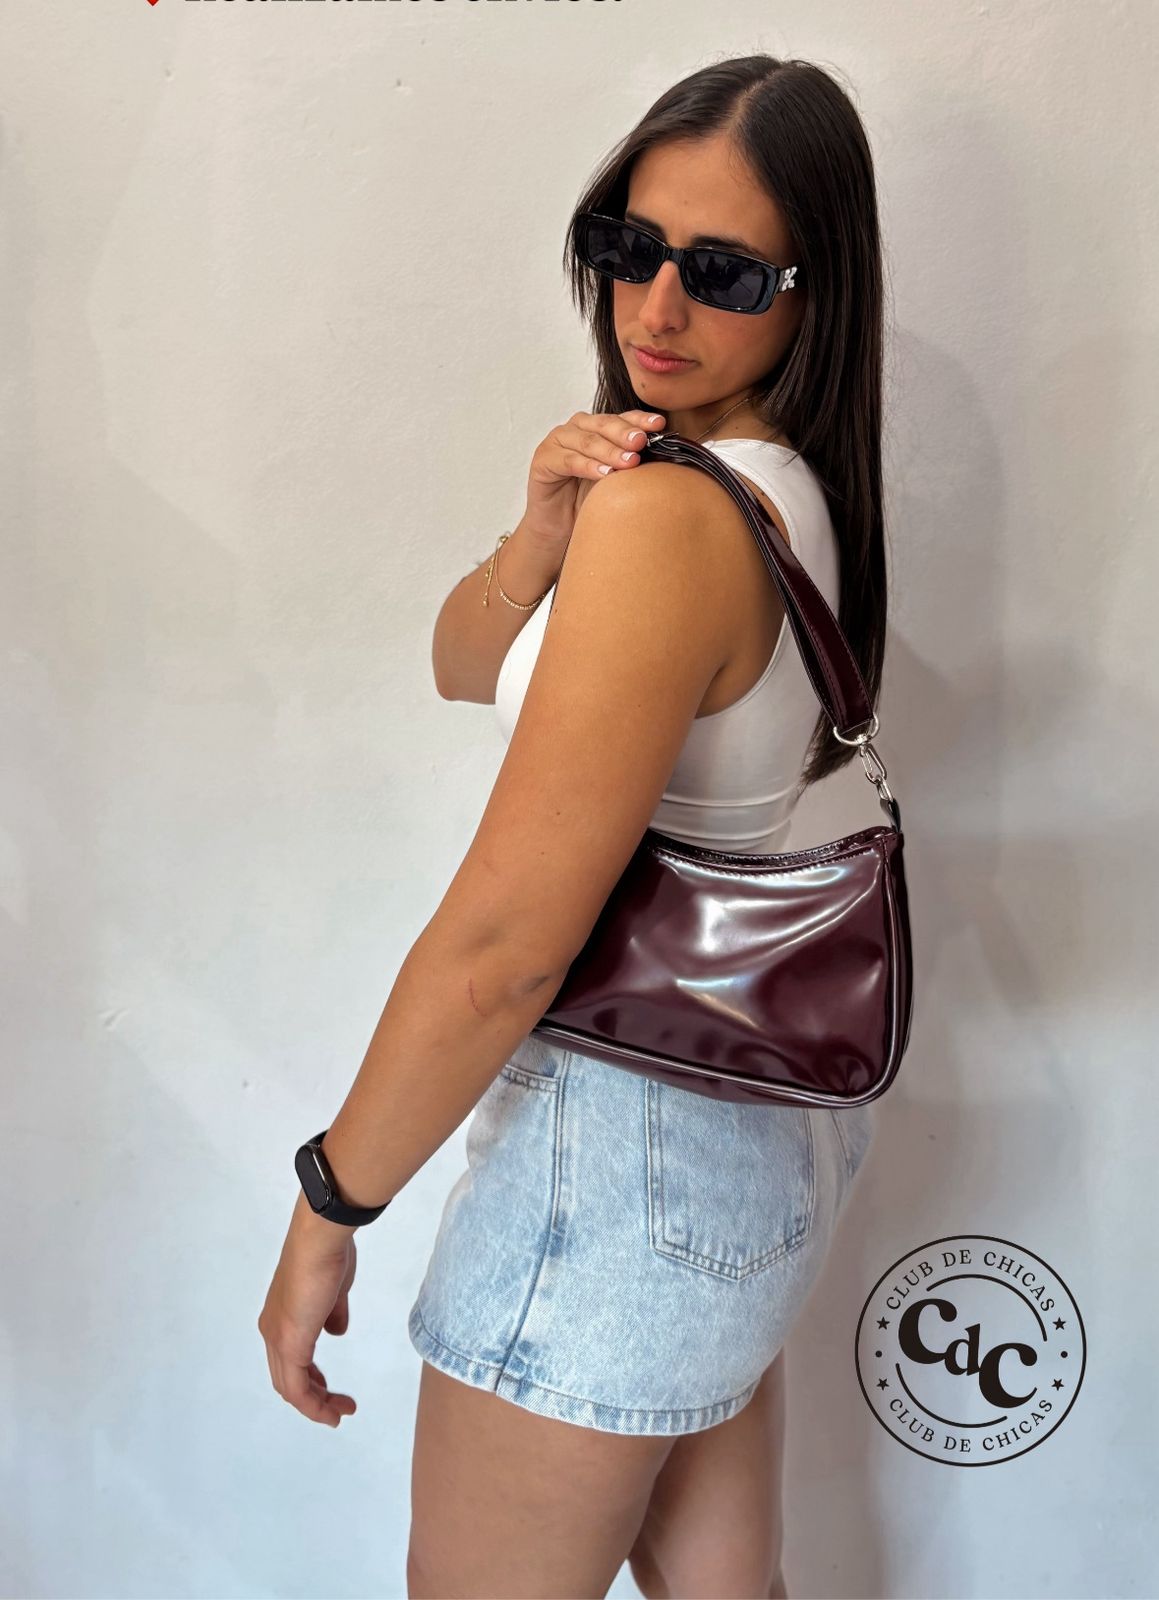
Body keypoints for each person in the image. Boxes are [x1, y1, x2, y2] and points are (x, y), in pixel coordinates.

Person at [259, 52, 890, 1600]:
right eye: (630, 246)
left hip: (621, 1163)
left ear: (811, 296)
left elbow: (504, 949)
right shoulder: (775, 494)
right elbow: (461, 664)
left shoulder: (673, 518)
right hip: (750, 1141)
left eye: (722, 272)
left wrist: (332, 1198)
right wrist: (543, 531)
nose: (656, 308)